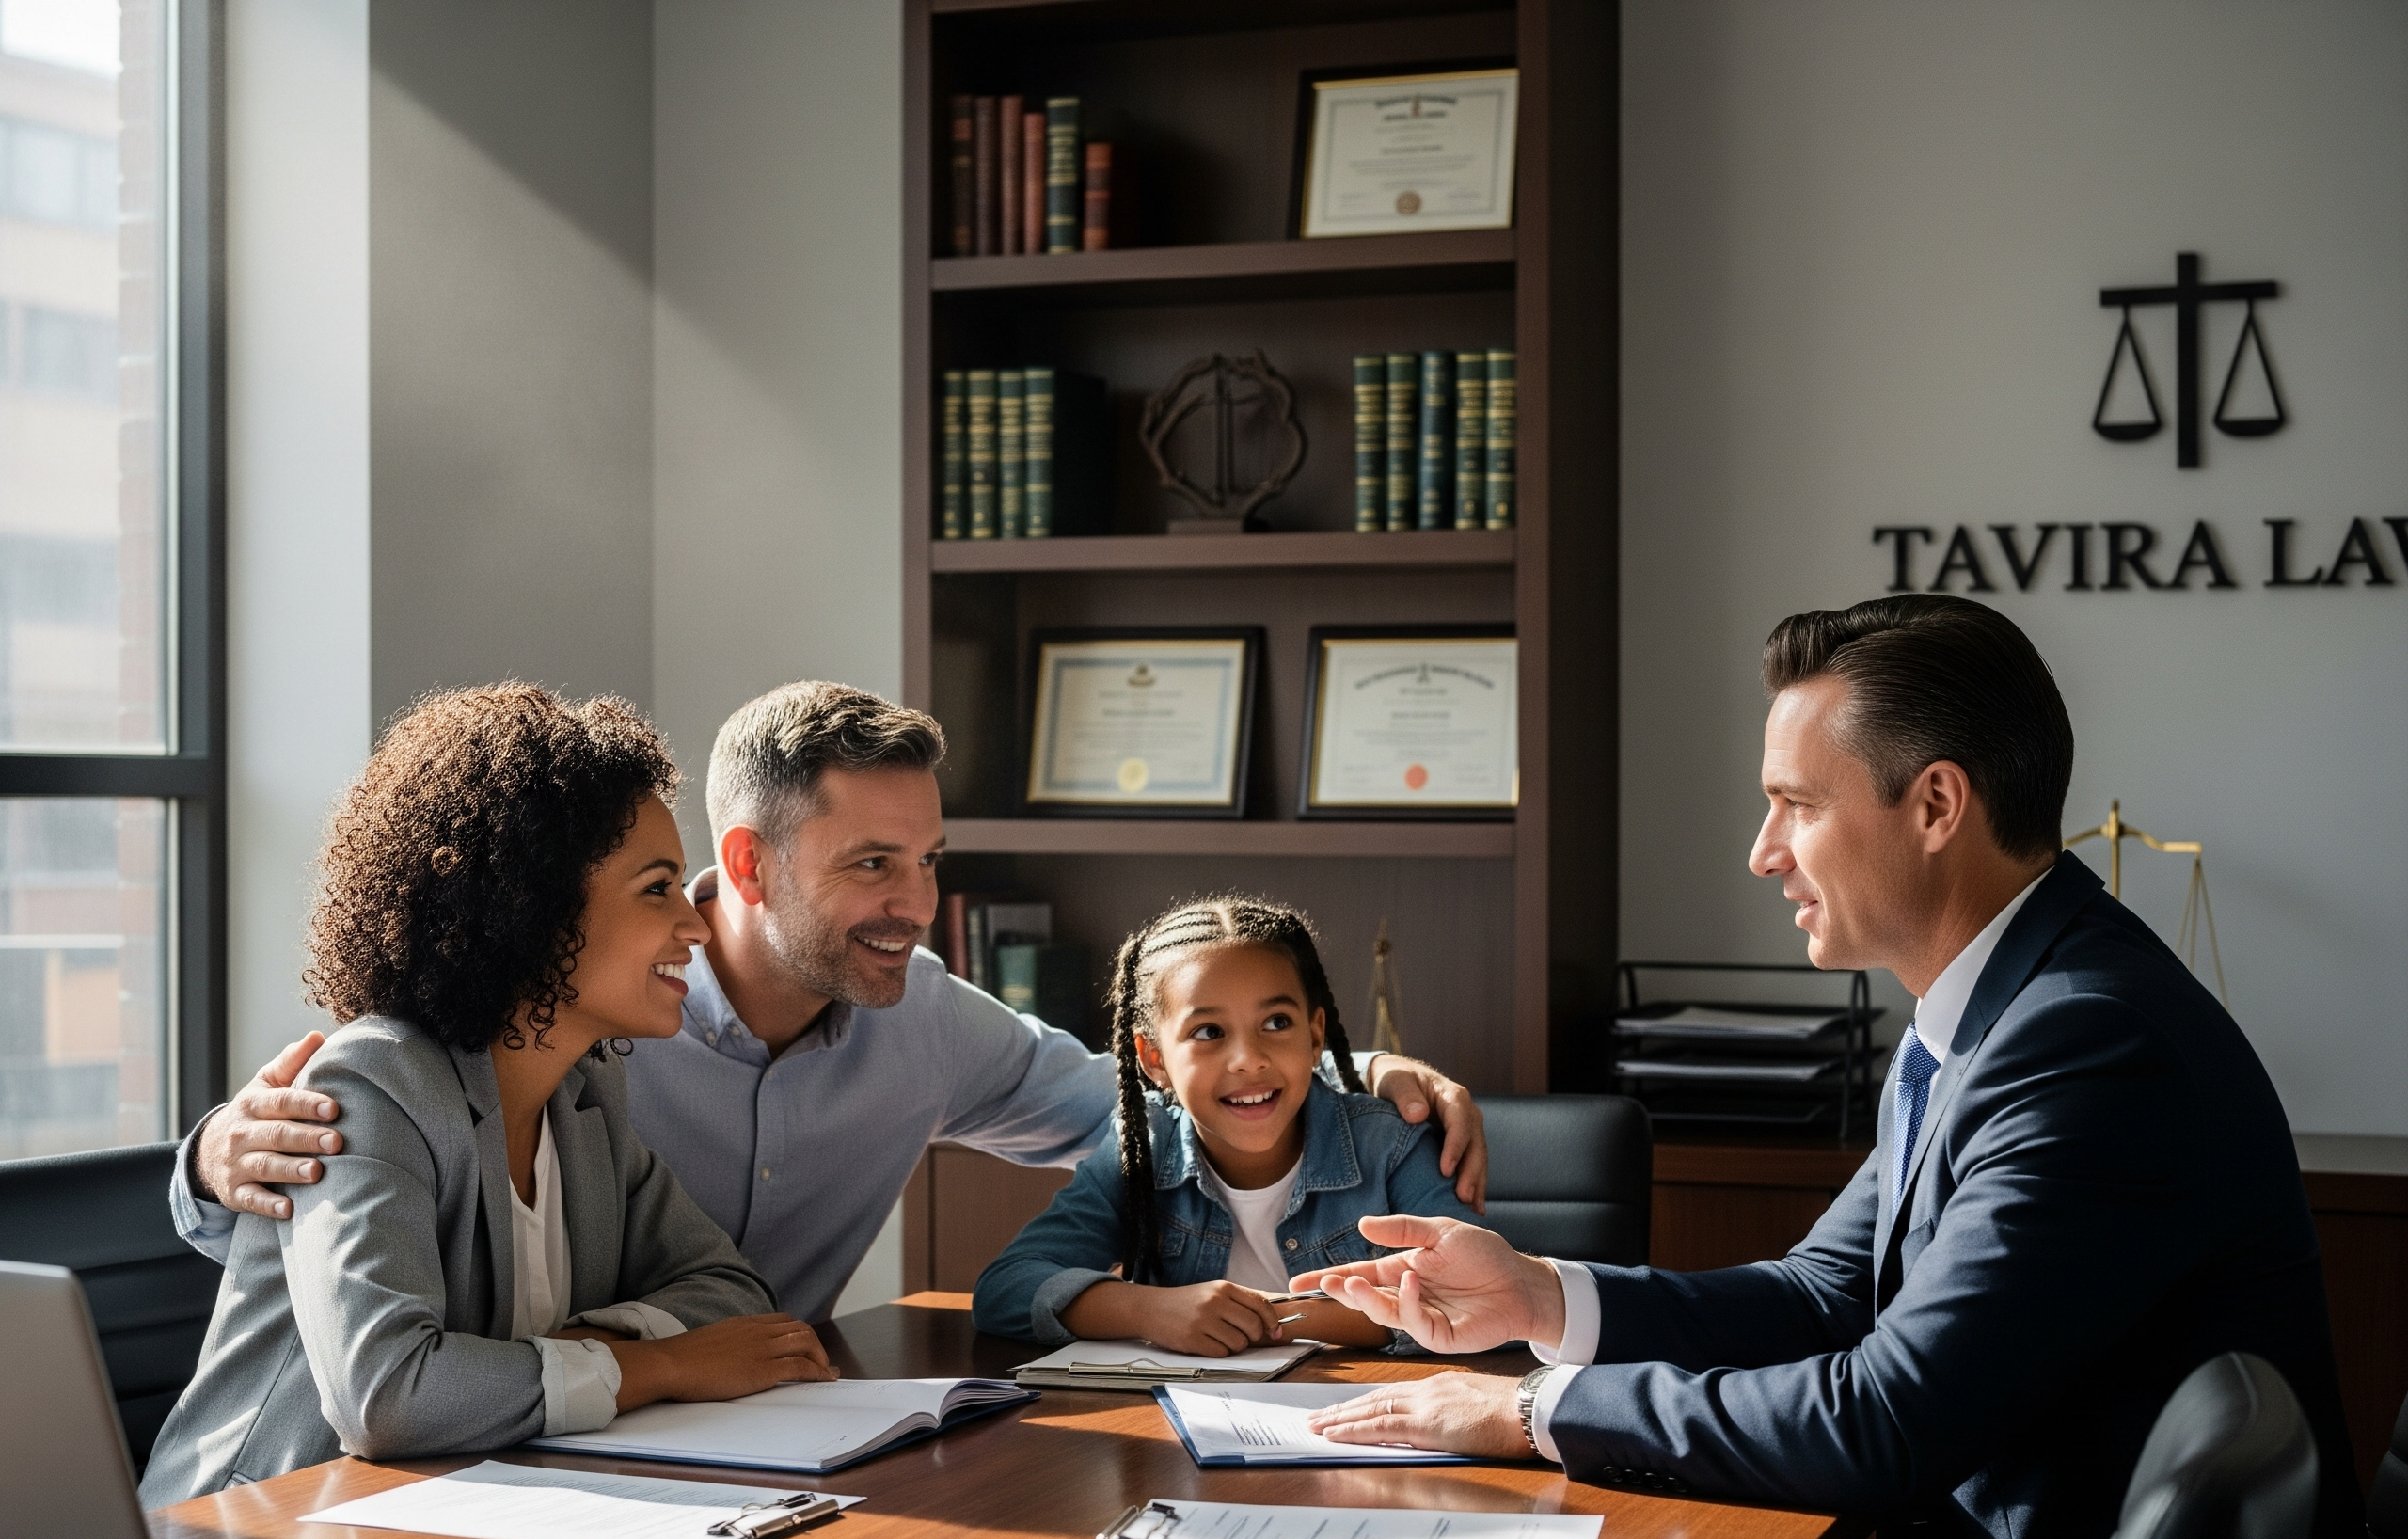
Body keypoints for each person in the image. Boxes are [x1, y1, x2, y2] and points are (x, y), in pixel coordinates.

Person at [1290, 595, 2359, 1539]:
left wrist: (1530, 1411)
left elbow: (1887, 1420)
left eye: (1797, 804)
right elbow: (1825, 1295)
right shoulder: (1999, 1001)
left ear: (1936, 805)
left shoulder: (2088, 1044)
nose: (1763, 850)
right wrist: (1537, 1296)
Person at [171, 682, 1490, 1322]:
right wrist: (213, 1161)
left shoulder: (925, 1017)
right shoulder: (572, 1019)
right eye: (871, 866)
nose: (914, 907)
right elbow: (346, 1180)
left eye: (927, 864)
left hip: (742, 1444)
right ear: (743, 864)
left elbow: (1163, 1092)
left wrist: (1357, 1068)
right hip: (513, 1456)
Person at [141, 687, 832, 1505]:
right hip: (266, 1516)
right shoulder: (370, 1090)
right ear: (534, 912)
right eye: (657, 888)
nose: (693, 925)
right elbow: (388, 1398)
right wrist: (657, 1364)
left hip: (466, 1501)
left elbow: (730, 1292)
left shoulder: (585, 1095)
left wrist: (571, 1353)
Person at [973, 896, 1480, 1353]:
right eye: (1208, 1032)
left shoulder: (1391, 1145)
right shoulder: (1144, 1147)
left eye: (1277, 1023)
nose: (1248, 1059)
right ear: (1153, 1059)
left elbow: (1470, 1296)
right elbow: (1007, 1288)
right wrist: (1148, 1309)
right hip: (1190, 1428)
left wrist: (1272, 1319)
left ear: (1315, 1032)